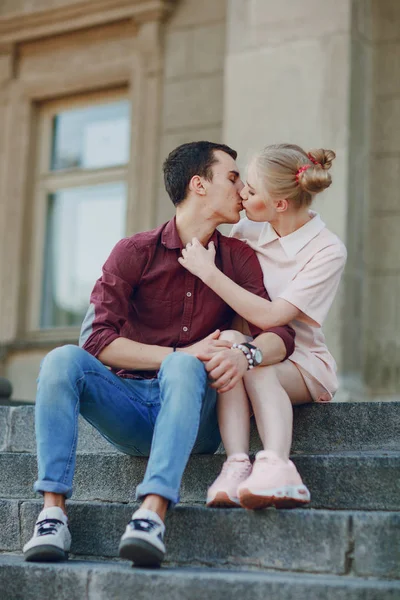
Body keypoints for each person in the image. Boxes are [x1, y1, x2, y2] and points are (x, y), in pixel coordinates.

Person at [23, 141, 295, 567]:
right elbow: (95, 341)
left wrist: (248, 356)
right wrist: (177, 352)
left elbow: (280, 335)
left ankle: (151, 516)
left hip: (196, 416)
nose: (242, 187)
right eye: (232, 176)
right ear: (198, 185)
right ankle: (52, 514)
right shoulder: (134, 252)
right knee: (61, 360)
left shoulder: (238, 257)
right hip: (130, 408)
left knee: (185, 367)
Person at [178, 143, 347, 510]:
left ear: (280, 205)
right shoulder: (247, 230)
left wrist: (208, 272)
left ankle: (277, 466)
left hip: (302, 362)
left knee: (252, 363)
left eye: (251, 191)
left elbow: (273, 318)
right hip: (251, 349)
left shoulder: (326, 250)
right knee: (233, 346)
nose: (242, 193)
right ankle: (237, 464)